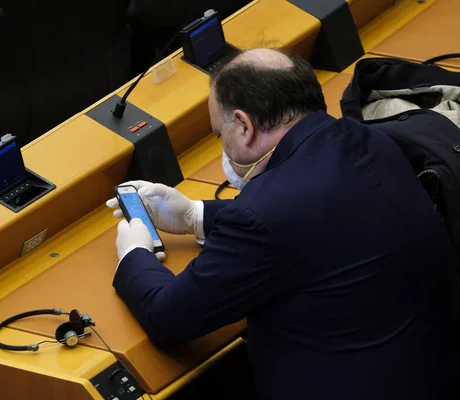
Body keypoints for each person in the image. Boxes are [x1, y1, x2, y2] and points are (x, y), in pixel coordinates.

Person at [106, 49, 460, 399]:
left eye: (219, 134)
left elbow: (168, 318)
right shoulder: (369, 140)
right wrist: (194, 216)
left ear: (244, 126)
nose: (223, 146)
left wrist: (135, 253)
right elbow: (317, 221)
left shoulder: (263, 217)